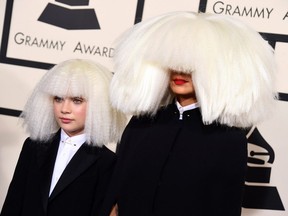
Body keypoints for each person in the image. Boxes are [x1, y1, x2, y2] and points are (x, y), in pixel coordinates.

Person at [104, 12, 278, 216]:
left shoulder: (228, 139)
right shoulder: (142, 123)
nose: (180, 71)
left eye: (191, 66)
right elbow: (118, 187)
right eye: (174, 61)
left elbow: (224, 206)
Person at [0, 59, 127, 216]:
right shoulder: (33, 147)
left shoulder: (107, 163)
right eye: (58, 98)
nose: (64, 109)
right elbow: (13, 203)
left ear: (98, 106)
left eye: (76, 100)